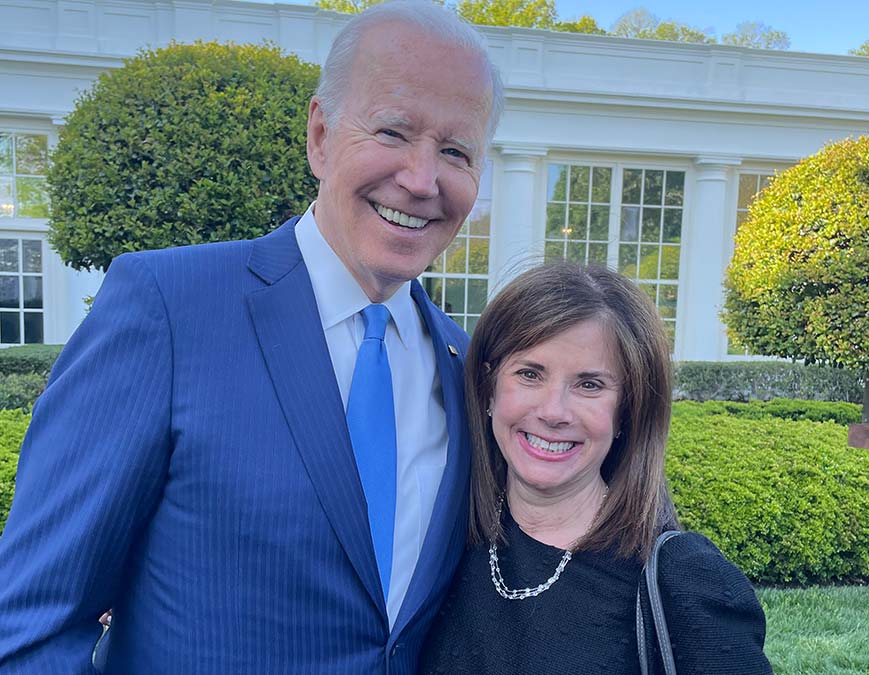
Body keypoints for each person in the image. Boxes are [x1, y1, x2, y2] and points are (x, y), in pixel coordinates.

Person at [0, 2, 502, 672]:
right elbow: (32, 625)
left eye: (455, 151)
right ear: (320, 136)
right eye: (391, 131)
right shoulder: (167, 311)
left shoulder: (468, 366)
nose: (421, 179)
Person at [419, 262, 772, 674]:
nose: (554, 412)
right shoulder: (447, 536)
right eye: (530, 374)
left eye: (590, 385)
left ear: (627, 411)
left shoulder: (685, 584)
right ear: (488, 390)